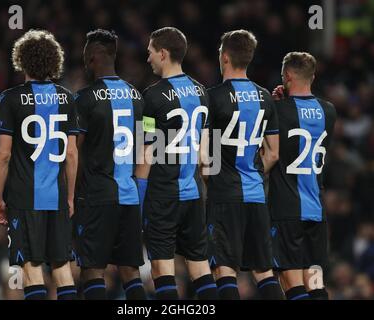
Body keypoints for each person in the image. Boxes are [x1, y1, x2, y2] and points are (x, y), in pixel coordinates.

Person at [0, 30, 79, 300]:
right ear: (54, 61)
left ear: (21, 60)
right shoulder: (67, 98)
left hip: (24, 195)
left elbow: (4, 155)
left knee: (31, 268)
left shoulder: (10, 98)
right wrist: (70, 196)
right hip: (56, 196)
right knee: (62, 269)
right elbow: (72, 154)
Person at [135, 27, 218, 300]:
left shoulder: (151, 97)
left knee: (162, 268)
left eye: (150, 53)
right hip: (194, 193)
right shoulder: (202, 92)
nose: (148, 59)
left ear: (162, 53)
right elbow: (208, 153)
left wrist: (140, 198)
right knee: (199, 266)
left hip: (163, 193)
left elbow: (146, 153)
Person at [206, 30, 284, 300]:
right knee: (263, 271)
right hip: (256, 194)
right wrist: (253, 173)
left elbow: (206, 155)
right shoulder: (264, 97)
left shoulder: (213, 97)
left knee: (224, 269)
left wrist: (211, 179)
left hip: (225, 193)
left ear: (225, 57)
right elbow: (273, 153)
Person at [74, 29, 146, 300]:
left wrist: (71, 195)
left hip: (97, 197)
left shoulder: (83, 99)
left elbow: (74, 153)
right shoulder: (139, 97)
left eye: (85, 54)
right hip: (129, 197)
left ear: (93, 56)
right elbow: (146, 150)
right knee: (130, 271)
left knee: (92, 270)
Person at [270, 52, 337, 300]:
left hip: (287, 209)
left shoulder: (277, 110)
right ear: (313, 76)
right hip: (317, 211)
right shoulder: (329, 111)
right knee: (316, 282)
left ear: (287, 76)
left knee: (291, 282)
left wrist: (277, 102)